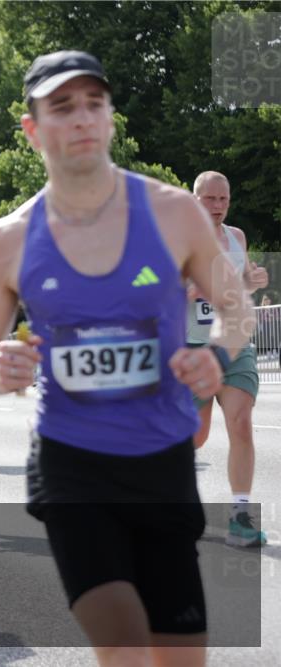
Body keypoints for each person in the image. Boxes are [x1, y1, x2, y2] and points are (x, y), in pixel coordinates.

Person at [0, 51, 254, 665]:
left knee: (179, 656)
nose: (83, 119)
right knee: (121, 639)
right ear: (33, 129)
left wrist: (218, 357)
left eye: (94, 103)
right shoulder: (9, 238)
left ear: (111, 117)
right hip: (71, 462)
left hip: (161, 458)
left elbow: (238, 311)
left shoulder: (174, 212)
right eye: (63, 107)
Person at [186, 171, 269, 547]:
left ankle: (240, 517)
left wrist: (253, 280)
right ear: (194, 199)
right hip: (192, 348)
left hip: (235, 344)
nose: (218, 206)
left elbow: (239, 283)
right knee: (195, 436)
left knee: (241, 423)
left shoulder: (236, 237)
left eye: (224, 199)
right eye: (210, 199)